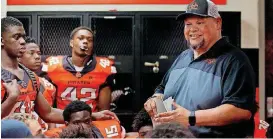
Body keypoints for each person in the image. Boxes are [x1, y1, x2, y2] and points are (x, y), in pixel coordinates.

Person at [144, 0, 257, 137]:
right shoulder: (183, 57)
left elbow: (242, 111)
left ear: (218, 23)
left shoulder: (235, 60)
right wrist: (155, 99)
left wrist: (191, 117)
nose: (192, 29)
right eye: (188, 24)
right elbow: (162, 88)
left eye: (200, 23)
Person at [1, 16, 120, 126]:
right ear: (2, 41)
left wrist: (93, 115)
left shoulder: (31, 76)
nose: (22, 41)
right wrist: (12, 98)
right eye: (16, 37)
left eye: (23, 36)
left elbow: (49, 113)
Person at [41, 26, 116, 112]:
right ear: (71, 43)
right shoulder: (53, 66)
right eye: (80, 38)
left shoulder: (103, 68)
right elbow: (47, 108)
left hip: (91, 120)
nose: (85, 41)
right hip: (61, 120)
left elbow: (104, 110)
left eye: (89, 40)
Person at [17, 36, 56, 131]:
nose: (37, 57)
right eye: (31, 53)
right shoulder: (6, 80)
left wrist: (51, 133)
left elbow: (49, 114)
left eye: (38, 53)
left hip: (42, 130)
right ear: (18, 56)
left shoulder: (46, 83)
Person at [44, 100, 124, 138]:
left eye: (86, 121)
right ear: (67, 123)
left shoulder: (110, 128)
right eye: (77, 123)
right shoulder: (54, 136)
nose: (83, 126)